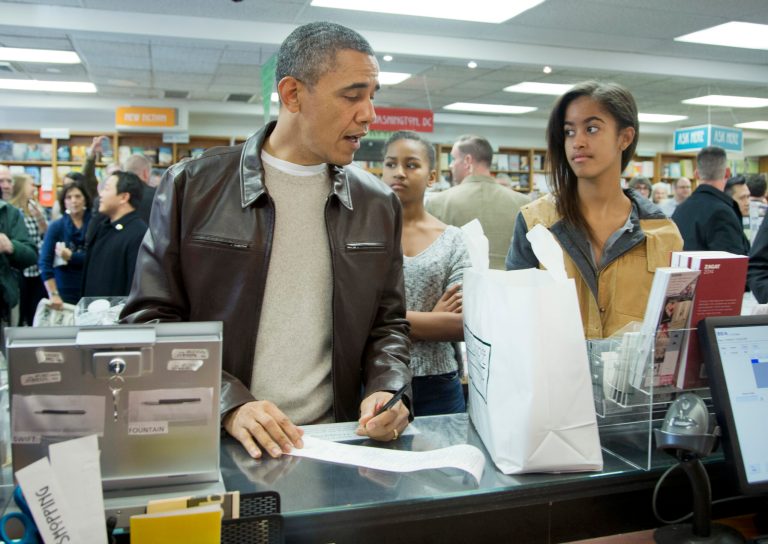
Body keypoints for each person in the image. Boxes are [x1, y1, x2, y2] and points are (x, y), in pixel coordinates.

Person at [121, 21, 412, 459]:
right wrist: (229, 403)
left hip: (338, 445)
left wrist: (389, 388)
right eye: (353, 96)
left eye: (373, 96)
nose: (369, 114)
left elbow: (388, 325)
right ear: (292, 94)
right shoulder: (193, 187)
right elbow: (148, 322)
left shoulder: (377, 204)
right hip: (222, 443)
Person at [505, 80, 683, 339]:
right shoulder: (536, 223)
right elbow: (515, 315)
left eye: (591, 128)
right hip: (554, 376)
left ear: (625, 137)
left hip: (631, 379)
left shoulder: (662, 233)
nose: (577, 142)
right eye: (569, 132)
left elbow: (671, 329)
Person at [381, 131, 469, 416]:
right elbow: (354, 321)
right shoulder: (364, 237)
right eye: (391, 164)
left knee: (445, 460)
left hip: (438, 383)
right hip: (376, 380)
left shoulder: (452, 240)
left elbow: (463, 324)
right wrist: (432, 320)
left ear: (431, 177)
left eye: (411, 165)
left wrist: (384, 324)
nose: (399, 173)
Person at [425, 135, 529, 270]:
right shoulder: (524, 203)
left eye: (453, 159)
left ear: (467, 160)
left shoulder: (437, 203)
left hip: (458, 288)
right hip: (511, 288)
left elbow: (429, 260)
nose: (451, 165)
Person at [672, 147, 750, 255]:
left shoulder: (679, 210)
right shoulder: (723, 212)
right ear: (727, 173)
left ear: (696, 174)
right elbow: (732, 265)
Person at [82, 171, 146, 297]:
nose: (101, 195)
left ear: (124, 197)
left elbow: (135, 288)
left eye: (106, 189)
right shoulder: (103, 227)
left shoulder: (138, 233)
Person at [39, 180, 92, 308]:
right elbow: (44, 262)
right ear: (64, 201)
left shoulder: (95, 224)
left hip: (91, 287)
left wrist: (72, 257)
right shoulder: (56, 227)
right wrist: (53, 294)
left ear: (85, 199)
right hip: (64, 289)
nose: (74, 200)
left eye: (78, 196)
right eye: (69, 197)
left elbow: (98, 258)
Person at [9, 174, 47, 325]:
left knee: (35, 312)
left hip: (38, 270)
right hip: (21, 272)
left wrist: (42, 221)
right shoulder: (11, 211)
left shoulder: (35, 208)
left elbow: (43, 235)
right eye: (31, 185)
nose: (34, 188)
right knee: (20, 313)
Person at [0, 182, 37, 338]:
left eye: (9, 181)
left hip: (3, 302)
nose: (6, 185)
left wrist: (10, 246)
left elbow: (31, 255)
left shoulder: (8, 213)